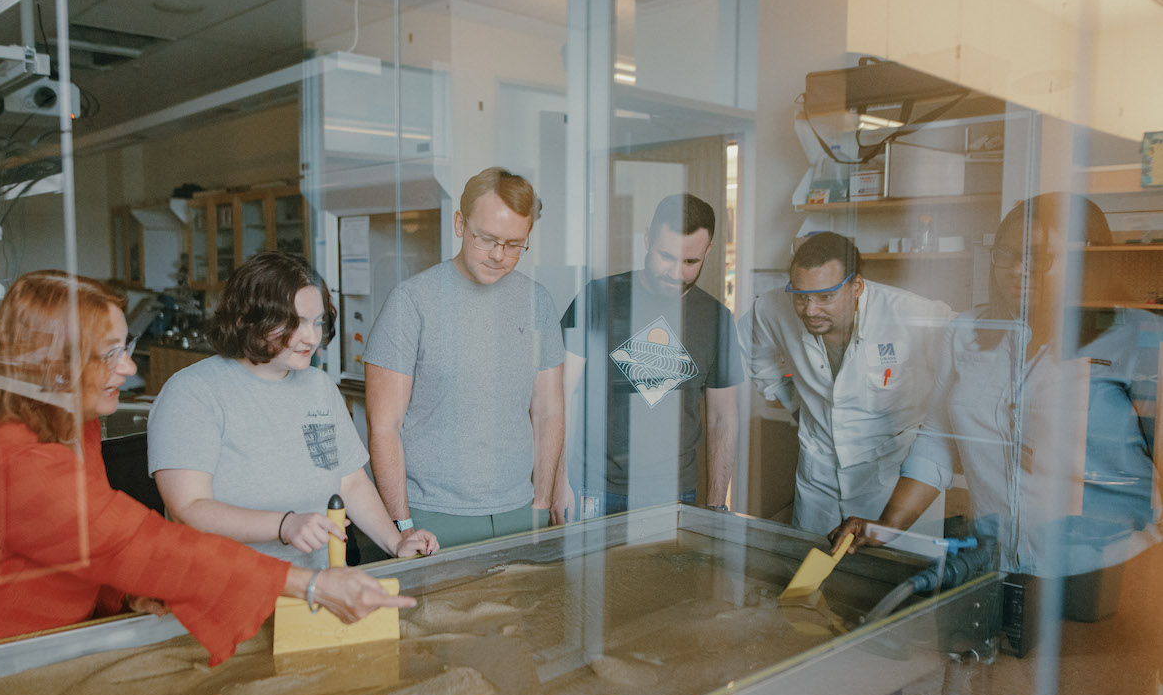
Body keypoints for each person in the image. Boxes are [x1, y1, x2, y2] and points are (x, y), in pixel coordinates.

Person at [0, 272, 409, 668]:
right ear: (55, 363)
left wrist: (122, 595)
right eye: (110, 353)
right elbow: (135, 543)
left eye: (128, 347)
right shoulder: (16, 460)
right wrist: (310, 585)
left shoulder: (74, 422)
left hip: (24, 646)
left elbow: (85, 548)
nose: (127, 367)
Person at [831, 193, 1160, 577]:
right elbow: (938, 439)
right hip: (995, 562)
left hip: (1106, 569)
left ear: (1086, 259)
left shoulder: (1140, 337)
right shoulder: (970, 332)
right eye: (1006, 254)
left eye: (1038, 257)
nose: (1019, 269)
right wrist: (888, 525)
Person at [149, 252, 437, 566]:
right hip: (227, 590)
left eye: (317, 322)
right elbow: (189, 507)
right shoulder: (193, 391)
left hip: (314, 584)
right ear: (249, 319)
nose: (311, 338)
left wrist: (396, 543)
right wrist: (284, 525)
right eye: (294, 323)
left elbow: (350, 483)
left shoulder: (319, 387)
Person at [364, 167, 565, 547]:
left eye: (514, 243)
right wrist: (403, 526)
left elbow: (549, 412)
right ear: (459, 224)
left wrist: (540, 503)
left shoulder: (537, 301)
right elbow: (384, 427)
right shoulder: (411, 302)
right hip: (431, 513)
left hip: (517, 509)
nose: (498, 255)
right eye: (486, 238)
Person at [747, 232, 952, 535]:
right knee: (812, 573)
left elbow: (969, 361)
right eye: (801, 297)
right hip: (819, 478)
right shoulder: (770, 308)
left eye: (826, 297)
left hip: (891, 478)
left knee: (894, 576)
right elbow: (755, 356)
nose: (811, 310)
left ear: (856, 287)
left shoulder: (910, 314)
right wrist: (794, 406)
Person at [557, 193, 742, 516]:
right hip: (594, 486)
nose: (675, 272)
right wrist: (557, 482)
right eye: (665, 256)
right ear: (647, 238)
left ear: (708, 251)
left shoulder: (716, 319)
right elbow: (559, 396)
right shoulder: (597, 299)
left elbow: (723, 418)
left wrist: (716, 505)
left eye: (690, 262)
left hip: (674, 492)